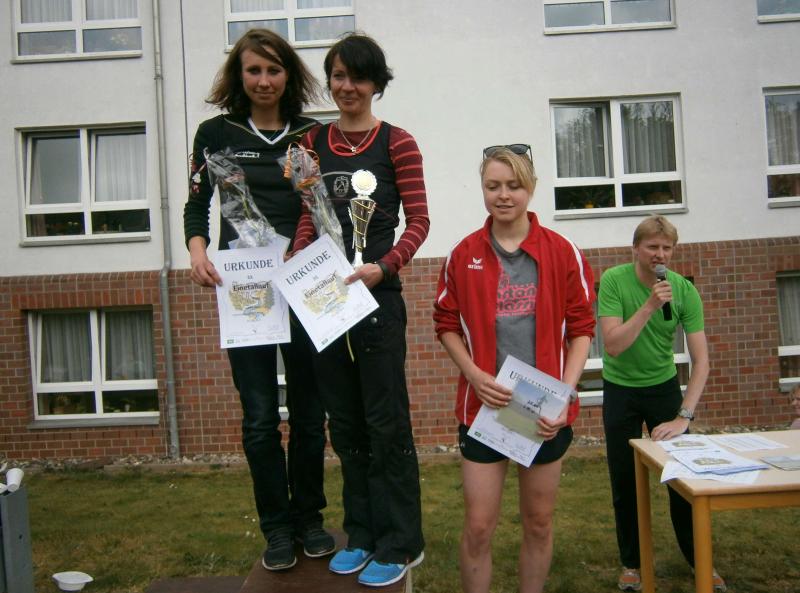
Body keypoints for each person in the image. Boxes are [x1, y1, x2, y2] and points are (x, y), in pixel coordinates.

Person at [183, 28, 335, 572]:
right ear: (239, 75)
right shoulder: (215, 134)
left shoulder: (311, 135)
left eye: (274, 70)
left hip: (304, 283)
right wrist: (198, 251)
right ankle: (276, 528)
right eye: (254, 70)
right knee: (259, 418)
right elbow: (197, 202)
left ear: (288, 75)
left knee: (310, 415)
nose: (264, 80)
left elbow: (321, 209)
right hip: (245, 288)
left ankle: (309, 520)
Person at [292, 32, 428, 587]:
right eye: (339, 76)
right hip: (325, 300)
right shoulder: (309, 143)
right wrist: (297, 256)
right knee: (345, 425)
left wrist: (385, 266)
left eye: (358, 77)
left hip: (377, 300)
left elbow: (419, 221)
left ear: (377, 83)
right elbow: (309, 215)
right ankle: (363, 535)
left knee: (385, 423)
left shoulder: (398, 142)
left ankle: (401, 543)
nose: (348, 87)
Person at [433, 145, 596, 593]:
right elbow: (446, 323)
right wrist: (473, 375)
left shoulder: (563, 252)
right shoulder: (463, 253)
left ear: (531, 188)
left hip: (543, 410)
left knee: (539, 523)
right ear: (482, 188)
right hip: (484, 407)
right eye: (493, 186)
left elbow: (582, 328)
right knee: (478, 526)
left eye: (513, 185)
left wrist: (563, 395)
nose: (503, 195)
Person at [598, 215, 726, 592]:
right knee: (625, 480)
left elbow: (701, 360)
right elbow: (613, 345)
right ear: (635, 249)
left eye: (667, 248)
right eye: (652, 246)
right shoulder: (614, 281)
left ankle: (700, 561)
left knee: (683, 480)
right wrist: (650, 306)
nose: (660, 254)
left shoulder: (683, 290)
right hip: (620, 389)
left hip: (663, 389)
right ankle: (632, 564)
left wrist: (684, 416)